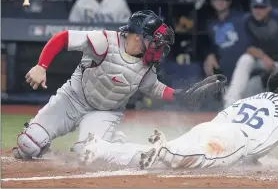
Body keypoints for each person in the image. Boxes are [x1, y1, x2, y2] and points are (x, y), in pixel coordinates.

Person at [12, 10, 226, 160]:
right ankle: (42, 141)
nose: (159, 48)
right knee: (28, 145)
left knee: (88, 154)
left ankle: (114, 141)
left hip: (105, 111)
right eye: (155, 41)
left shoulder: (146, 65)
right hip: (73, 98)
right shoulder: (104, 41)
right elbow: (62, 38)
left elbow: (155, 88)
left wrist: (180, 95)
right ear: (137, 36)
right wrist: (41, 66)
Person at [79, 69, 278, 169]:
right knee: (174, 159)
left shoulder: (249, 99)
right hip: (235, 141)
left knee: (169, 155)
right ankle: (162, 148)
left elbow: (220, 124)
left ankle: (105, 148)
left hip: (212, 129)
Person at [224, 0, 278, 108]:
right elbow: (246, 47)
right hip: (260, 60)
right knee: (245, 60)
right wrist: (264, 58)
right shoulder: (246, 20)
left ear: (269, 8)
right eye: (255, 7)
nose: (258, 11)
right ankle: (230, 103)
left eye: (262, 7)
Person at [203, 0, 247, 81]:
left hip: (241, 67)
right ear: (212, 2)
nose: (220, 2)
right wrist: (210, 55)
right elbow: (212, 45)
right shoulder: (211, 23)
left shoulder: (241, 18)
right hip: (222, 71)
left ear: (229, 2)